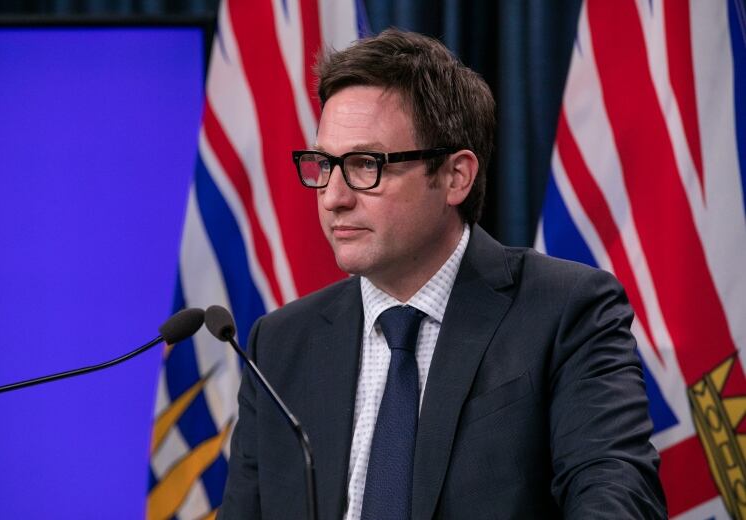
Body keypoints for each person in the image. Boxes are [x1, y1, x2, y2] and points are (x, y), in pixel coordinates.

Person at [219, 29, 666, 519]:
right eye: (323, 165)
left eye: (366, 165)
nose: (333, 197)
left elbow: (617, 499)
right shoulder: (279, 345)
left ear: (456, 176)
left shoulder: (566, 312)